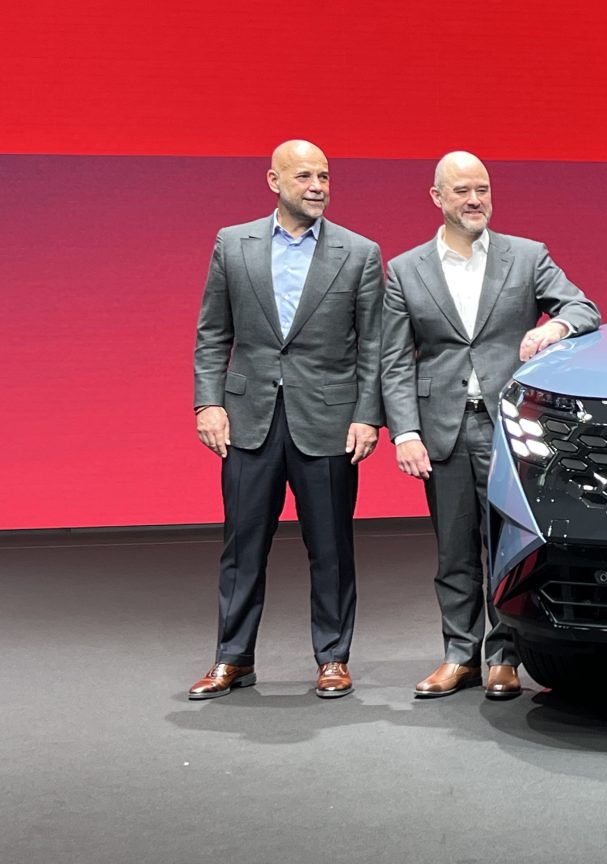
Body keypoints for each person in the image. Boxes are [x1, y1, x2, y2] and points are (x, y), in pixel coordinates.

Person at [381, 151, 599, 699]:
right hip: (443, 428)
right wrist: (404, 432)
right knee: (453, 551)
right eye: (462, 191)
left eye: (482, 188)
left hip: (510, 429)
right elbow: (394, 359)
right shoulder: (405, 270)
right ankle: (459, 655)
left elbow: (583, 308)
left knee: (507, 546)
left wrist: (554, 329)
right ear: (437, 198)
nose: (475, 199)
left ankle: (503, 656)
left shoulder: (526, 256)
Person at [189, 140, 384, 700]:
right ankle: (232, 658)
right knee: (242, 544)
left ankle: (333, 657)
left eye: (324, 176)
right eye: (304, 176)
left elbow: (373, 346)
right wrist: (207, 403)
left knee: (331, 546)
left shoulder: (359, 252)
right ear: (274, 181)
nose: (318, 186)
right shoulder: (234, 243)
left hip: (328, 419)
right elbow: (213, 333)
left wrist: (368, 416)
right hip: (249, 418)